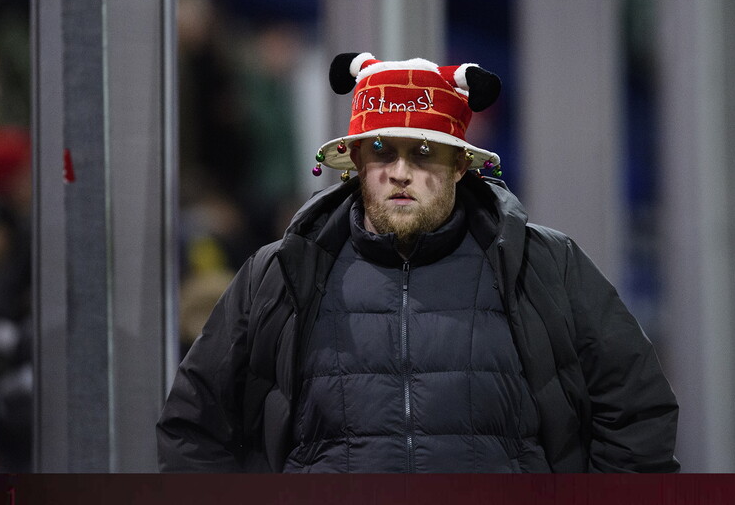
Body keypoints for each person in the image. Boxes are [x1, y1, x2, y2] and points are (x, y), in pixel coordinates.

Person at [157, 52, 680, 473]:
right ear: (357, 163)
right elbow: (196, 427)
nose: (400, 172)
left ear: (459, 166)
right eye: (382, 150)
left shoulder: (544, 264)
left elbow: (635, 410)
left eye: (424, 152)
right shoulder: (280, 273)